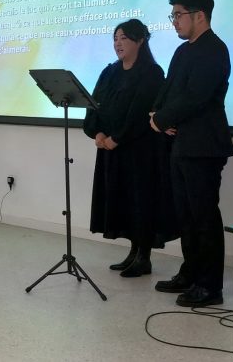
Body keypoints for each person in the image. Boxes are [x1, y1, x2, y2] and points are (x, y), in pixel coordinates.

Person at [150, 0, 233, 307]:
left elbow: (196, 96)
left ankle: (210, 287)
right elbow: (168, 90)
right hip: (181, 144)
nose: (174, 21)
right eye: (172, 15)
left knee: (204, 217)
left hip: (204, 146)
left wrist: (163, 118)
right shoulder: (182, 51)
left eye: (178, 15)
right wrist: (156, 114)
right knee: (185, 216)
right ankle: (190, 273)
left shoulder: (215, 49)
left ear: (200, 15)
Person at [84, 19, 177, 277]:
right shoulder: (110, 72)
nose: (117, 43)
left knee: (141, 201)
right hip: (111, 150)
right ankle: (133, 252)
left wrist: (117, 138)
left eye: (123, 38)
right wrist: (97, 132)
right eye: (115, 39)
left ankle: (143, 257)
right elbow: (95, 103)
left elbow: (140, 113)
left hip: (140, 152)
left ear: (140, 41)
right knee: (122, 201)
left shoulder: (151, 72)